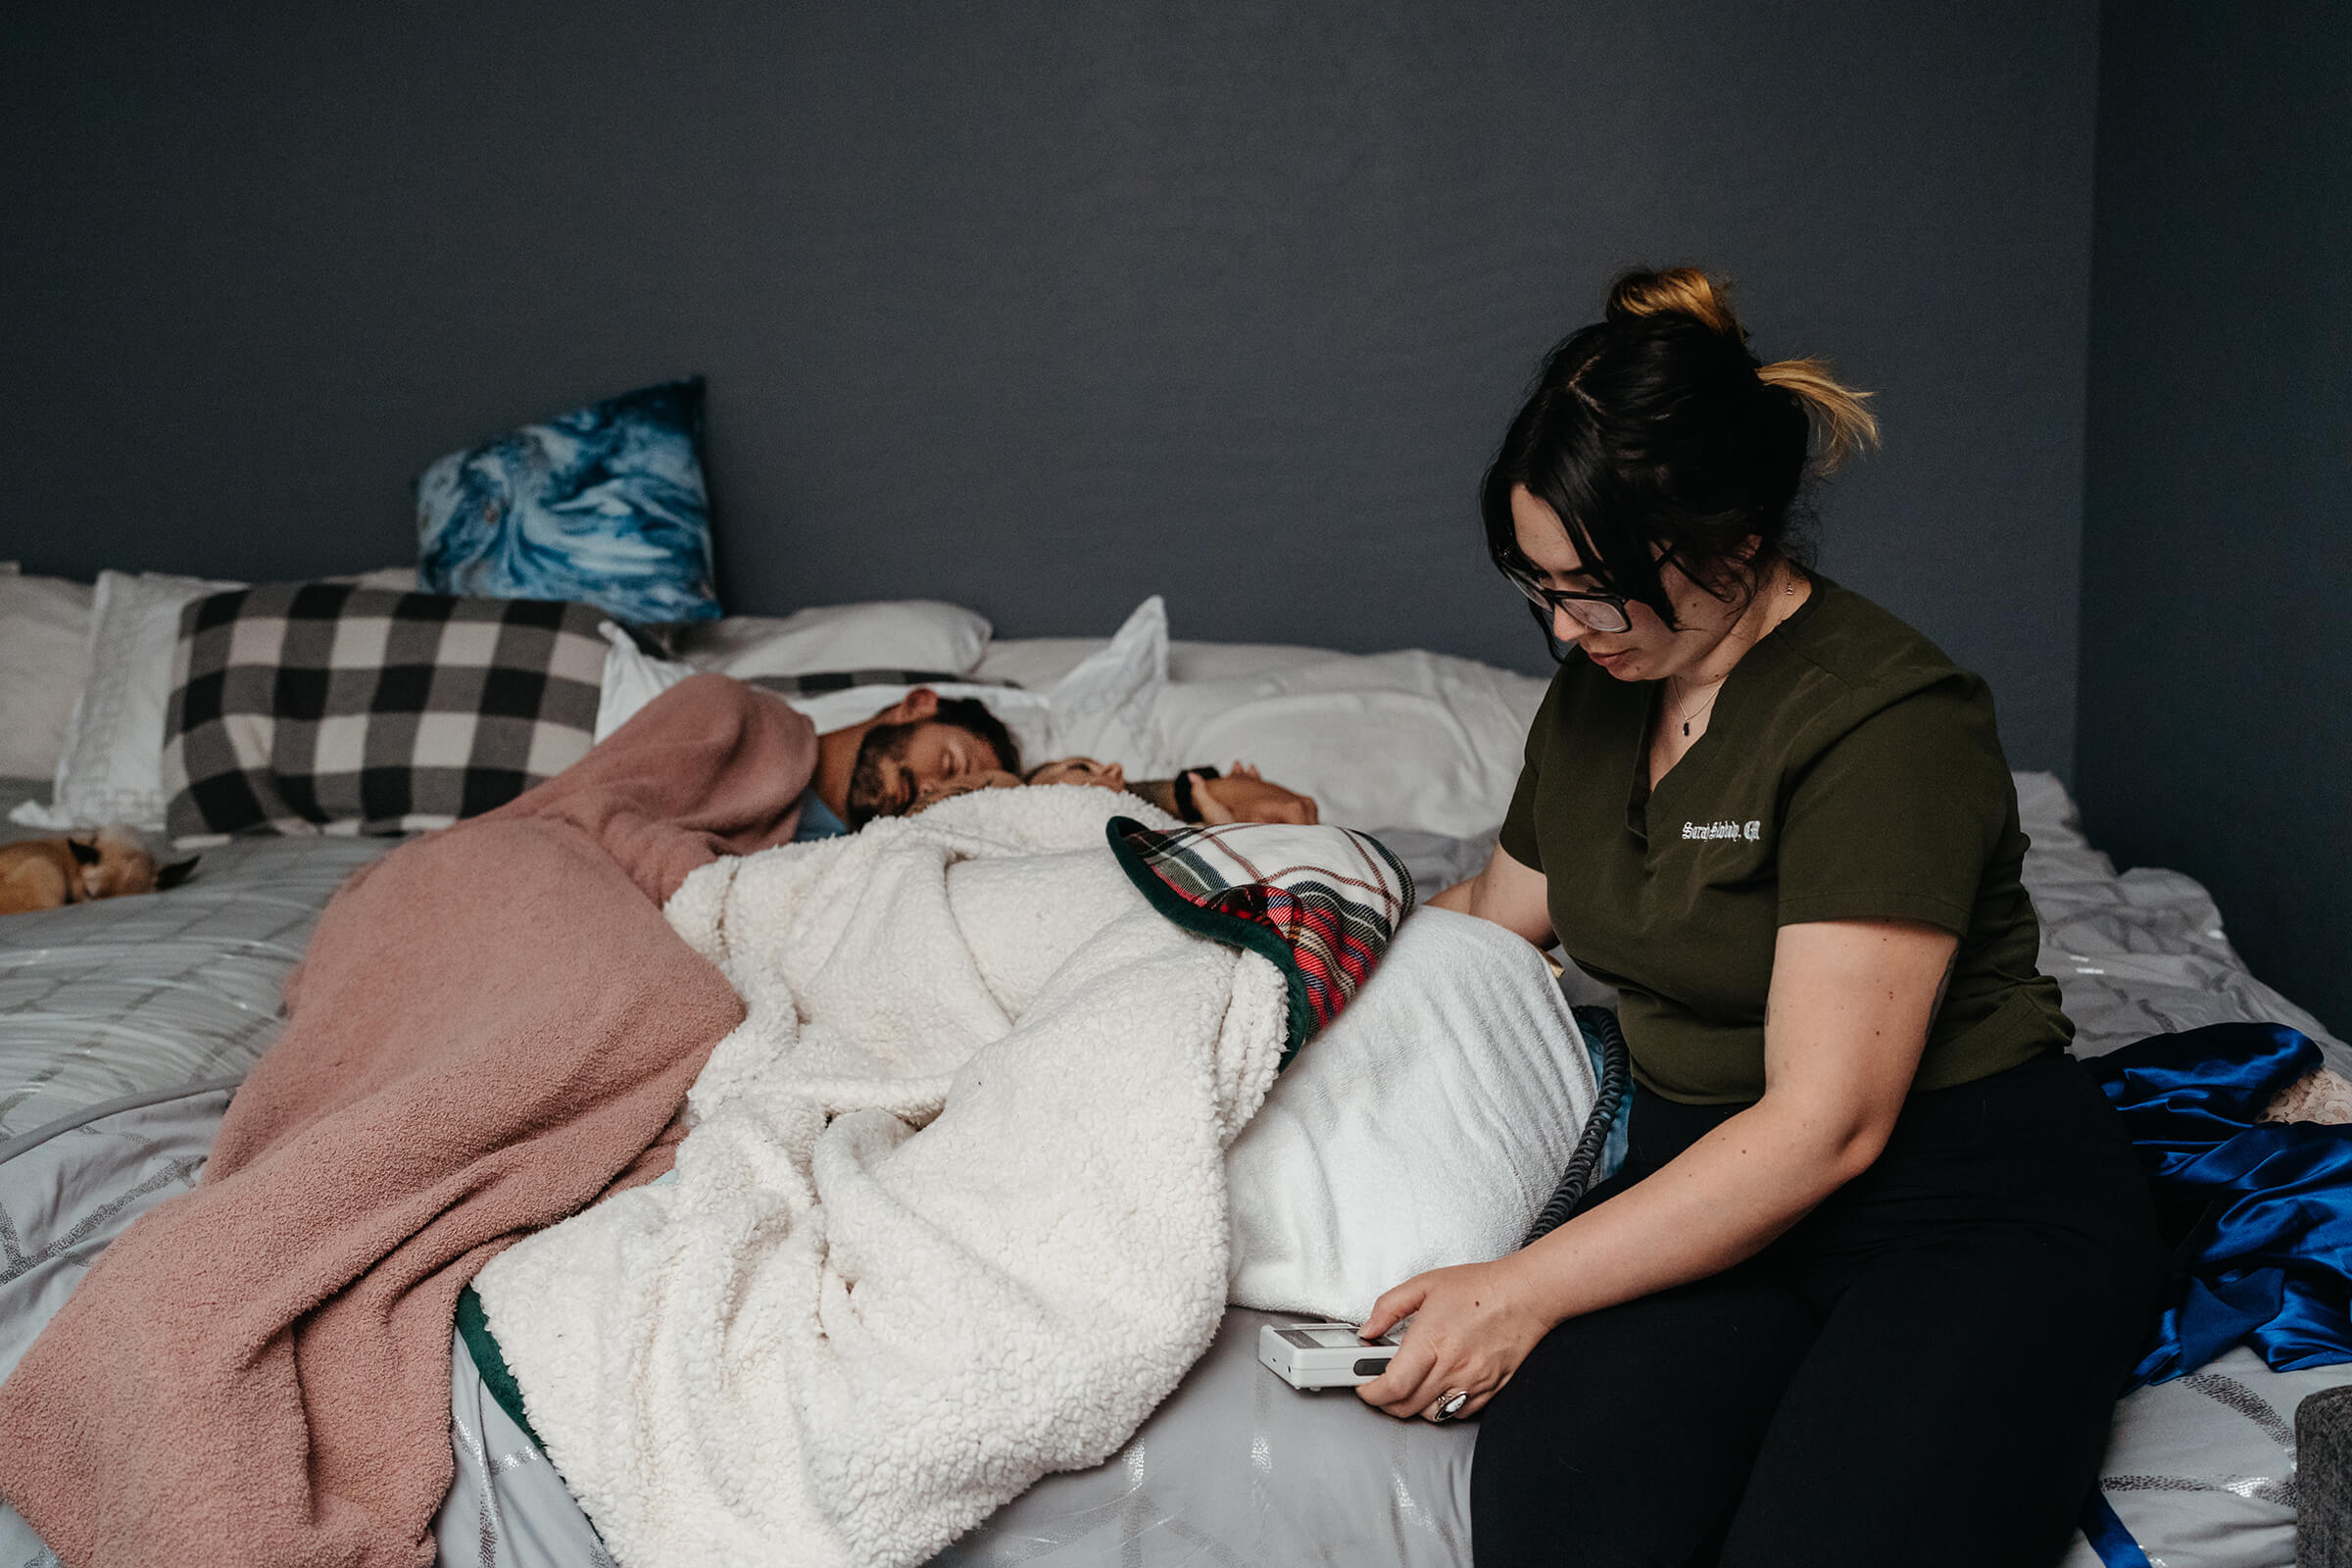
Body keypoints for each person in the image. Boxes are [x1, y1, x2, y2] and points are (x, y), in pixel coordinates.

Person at [1352, 269, 2164, 1567]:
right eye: (1536, 586)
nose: (1563, 632)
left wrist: (1519, 1290)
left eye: (1594, 589)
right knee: (1563, 1522)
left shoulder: (1885, 720)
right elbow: (1493, 926)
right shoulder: (1599, 692)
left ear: (1729, 541)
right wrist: (1301, 974)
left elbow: (1827, 1125)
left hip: (1952, 1203)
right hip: (1702, 1192)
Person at [796, 688, 1318, 837]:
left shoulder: (1014, 800)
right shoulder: (742, 735)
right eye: (950, 761)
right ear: (916, 705)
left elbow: (1276, 808)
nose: (932, 790)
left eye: (965, 787)